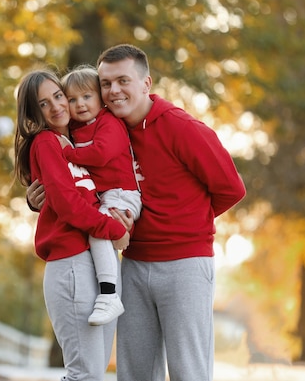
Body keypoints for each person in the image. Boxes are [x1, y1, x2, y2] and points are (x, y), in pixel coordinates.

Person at [27, 44, 246, 381]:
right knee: (135, 373)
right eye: (106, 83)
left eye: (123, 81)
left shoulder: (180, 127)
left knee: (189, 371)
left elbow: (231, 188)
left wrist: (182, 223)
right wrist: (35, 196)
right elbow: (71, 181)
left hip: (183, 264)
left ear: (146, 83)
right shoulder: (100, 126)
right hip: (131, 262)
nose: (114, 90)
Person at [13, 69, 131, 381]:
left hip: (96, 264)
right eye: (43, 104)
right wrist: (114, 229)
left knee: (93, 371)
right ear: (32, 114)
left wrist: (123, 215)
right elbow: (66, 203)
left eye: (58, 96)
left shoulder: (77, 140)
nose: (56, 106)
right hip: (71, 263)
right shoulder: (47, 142)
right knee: (85, 373)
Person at [58, 65, 142, 326]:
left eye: (86, 96)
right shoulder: (73, 127)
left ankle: (109, 295)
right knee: (95, 228)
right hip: (104, 196)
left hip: (122, 194)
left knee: (99, 229)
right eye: (72, 99)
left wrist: (68, 153)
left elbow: (101, 153)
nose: (80, 104)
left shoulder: (109, 122)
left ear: (100, 98)